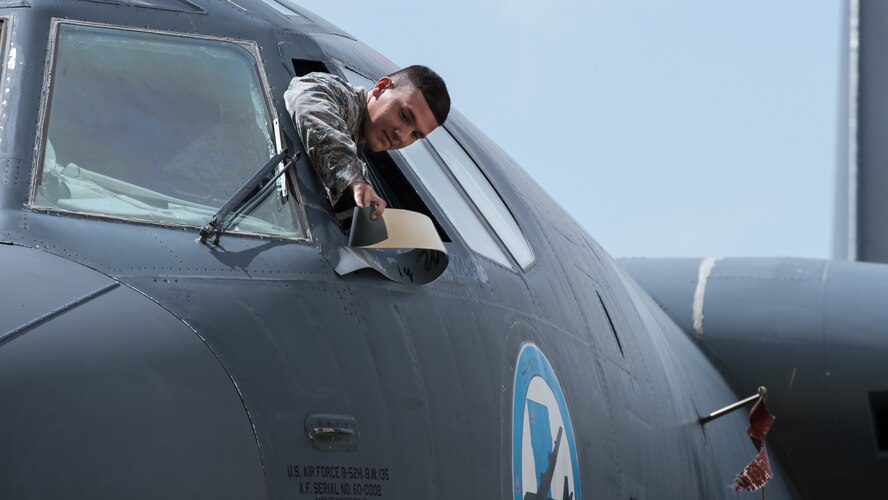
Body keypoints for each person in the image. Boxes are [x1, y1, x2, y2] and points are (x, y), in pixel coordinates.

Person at [284, 65, 450, 219]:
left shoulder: (361, 158)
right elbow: (308, 99)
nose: (402, 136)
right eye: (405, 116)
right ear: (381, 87)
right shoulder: (332, 93)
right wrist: (354, 179)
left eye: (415, 135)